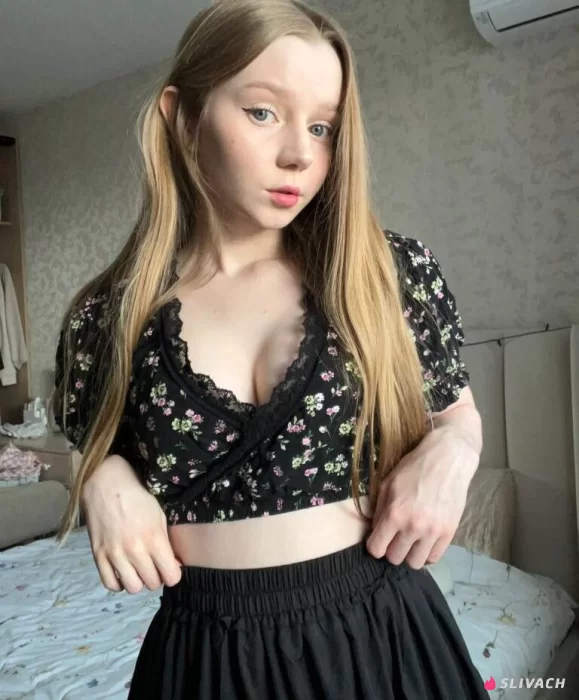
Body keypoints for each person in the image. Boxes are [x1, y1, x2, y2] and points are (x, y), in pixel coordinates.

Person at [52, 1, 488, 698]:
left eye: (322, 127)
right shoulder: (107, 317)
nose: (300, 155)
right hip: (206, 661)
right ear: (183, 117)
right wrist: (102, 480)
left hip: (385, 635)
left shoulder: (387, 276)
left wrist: (453, 453)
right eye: (263, 112)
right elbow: (90, 440)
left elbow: (456, 415)